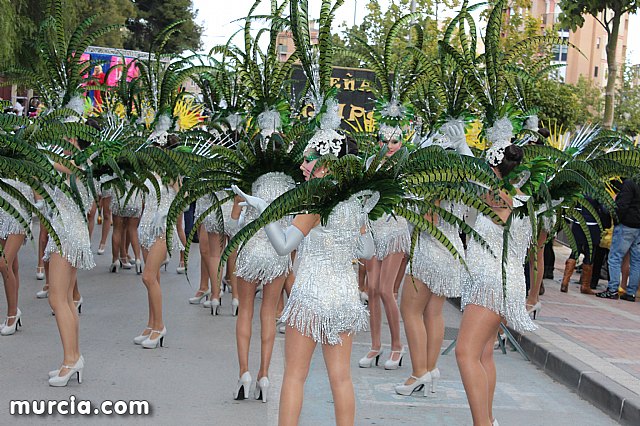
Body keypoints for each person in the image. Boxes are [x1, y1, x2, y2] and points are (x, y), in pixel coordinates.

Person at [233, 134, 373, 425]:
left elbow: (284, 245)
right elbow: (369, 251)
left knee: (295, 377)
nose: (302, 164)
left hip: (311, 297)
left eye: (308, 158)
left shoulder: (316, 201)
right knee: (342, 379)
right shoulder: (353, 203)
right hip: (345, 300)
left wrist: (263, 211)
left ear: (325, 165)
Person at [456, 143, 536, 426]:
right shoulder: (523, 199)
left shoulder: (501, 198)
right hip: (503, 283)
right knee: (484, 353)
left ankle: (483, 423)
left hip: (492, 285)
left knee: (465, 353)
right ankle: (488, 420)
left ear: (492, 170)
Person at [44, 130, 96, 386]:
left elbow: (51, 164)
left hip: (67, 234)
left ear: (76, 141)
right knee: (65, 299)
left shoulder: (78, 164)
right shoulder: (78, 165)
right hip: (67, 231)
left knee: (57, 299)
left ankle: (70, 360)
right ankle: (73, 357)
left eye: (66, 138)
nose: (61, 141)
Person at [360, 126, 410, 371]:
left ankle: (398, 346)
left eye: (395, 141)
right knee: (371, 288)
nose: (389, 146)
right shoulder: (371, 163)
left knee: (386, 289)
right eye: (384, 141)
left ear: (402, 143)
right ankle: (375, 345)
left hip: (395, 230)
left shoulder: (407, 165)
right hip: (373, 227)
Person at [134, 137, 184, 348]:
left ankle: (160, 325)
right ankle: (151, 324)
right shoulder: (146, 172)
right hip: (145, 226)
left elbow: (183, 199)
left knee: (147, 277)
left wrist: (166, 214)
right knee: (153, 279)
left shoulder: (171, 175)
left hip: (162, 229)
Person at [597, 176, 640, 301]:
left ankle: (612, 289)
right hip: (638, 228)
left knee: (615, 257)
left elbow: (622, 205)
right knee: (636, 261)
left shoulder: (629, 183)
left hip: (626, 225)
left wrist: (616, 220)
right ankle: (631, 292)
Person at [0, 179, 34, 335]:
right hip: (2, 208)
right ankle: (13, 310)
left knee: (4, 263)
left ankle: (12, 315)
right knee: (11, 264)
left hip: (19, 210)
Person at [561, 196, 611, 294]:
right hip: (592, 226)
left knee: (575, 252)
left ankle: (565, 282)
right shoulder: (596, 191)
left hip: (578, 223)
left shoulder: (580, 189)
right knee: (590, 254)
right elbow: (605, 210)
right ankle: (585, 286)